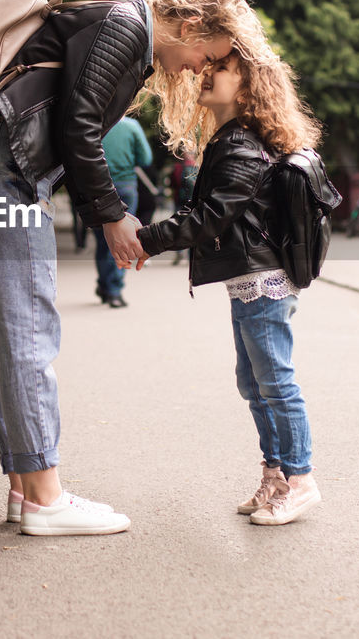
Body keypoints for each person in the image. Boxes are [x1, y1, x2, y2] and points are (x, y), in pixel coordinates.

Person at [0, 0, 264, 535]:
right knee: (27, 330)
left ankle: (25, 489)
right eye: (204, 54)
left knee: (6, 336)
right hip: (3, 168)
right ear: (190, 25)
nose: (197, 68)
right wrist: (115, 216)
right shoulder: (126, 25)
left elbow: (72, 123)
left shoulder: (124, 34)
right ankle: (47, 499)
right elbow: (80, 128)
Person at [133, 44, 325, 526]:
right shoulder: (231, 138)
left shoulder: (240, 144)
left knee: (275, 382)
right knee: (254, 383)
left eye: (222, 69)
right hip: (249, 279)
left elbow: (211, 216)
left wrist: (146, 240)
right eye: (211, 65)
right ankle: (276, 474)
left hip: (263, 280)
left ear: (248, 88)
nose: (207, 73)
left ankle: (300, 481)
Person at [93, 116, 152, 308]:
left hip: (97, 189)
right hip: (125, 186)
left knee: (103, 240)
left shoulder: (94, 123)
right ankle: (114, 289)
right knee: (123, 237)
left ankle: (104, 284)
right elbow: (146, 158)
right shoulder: (131, 126)